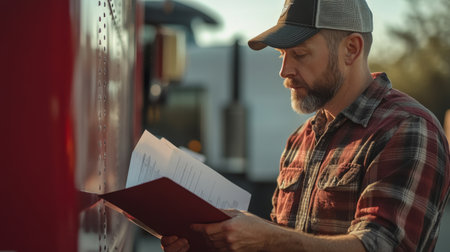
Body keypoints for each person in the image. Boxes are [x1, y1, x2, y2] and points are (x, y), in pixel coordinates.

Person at [161, 0, 450, 251]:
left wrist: (267, 239)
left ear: (351, 49)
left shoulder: (407, 128)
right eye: (281, 55)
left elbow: (382, 245)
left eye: (299, 54)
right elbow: (285, 242)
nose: (284, 71)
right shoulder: (300, 139)